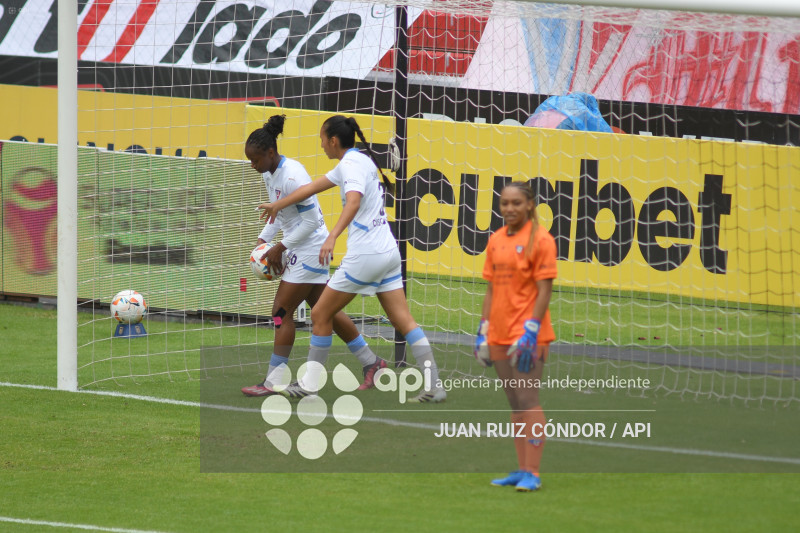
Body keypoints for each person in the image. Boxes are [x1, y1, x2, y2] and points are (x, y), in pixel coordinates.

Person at [259, 114, 445, 403]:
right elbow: (314, 186)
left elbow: (354, 200)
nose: (321, 145)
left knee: (321, 314)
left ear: (333, 141)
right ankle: (434, 385)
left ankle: (310, 383)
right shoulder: (358, 160)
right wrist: (278, 205)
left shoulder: (351, 164)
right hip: (388, 253)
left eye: (322, 139)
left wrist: (332, 235)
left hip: (366, 255)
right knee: (404, 320)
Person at [240, 114, 387, 397]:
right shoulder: (271, 172)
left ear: (271, 153)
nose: (253, 165)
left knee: (281, 313)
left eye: (256, 159)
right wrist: (263, 240)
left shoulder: (293, 176)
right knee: (325, 308)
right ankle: (372, 362)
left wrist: (279, 248)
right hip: (304, 248)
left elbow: (310, 222)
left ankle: (272, 382)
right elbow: (278, 213)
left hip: (308, 250)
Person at [474, 181, 557, 491]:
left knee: (528, 398)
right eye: (504, 203)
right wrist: (483, 330)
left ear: (530, 205)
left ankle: (533, 473)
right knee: (514, 402)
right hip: (497, 331)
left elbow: (544, 289)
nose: (509, 209)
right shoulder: (495, 239)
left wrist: (532, 330)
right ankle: (521, 469)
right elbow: (492, 287)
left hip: (527, 335)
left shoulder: (541, 240)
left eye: (516, 203)